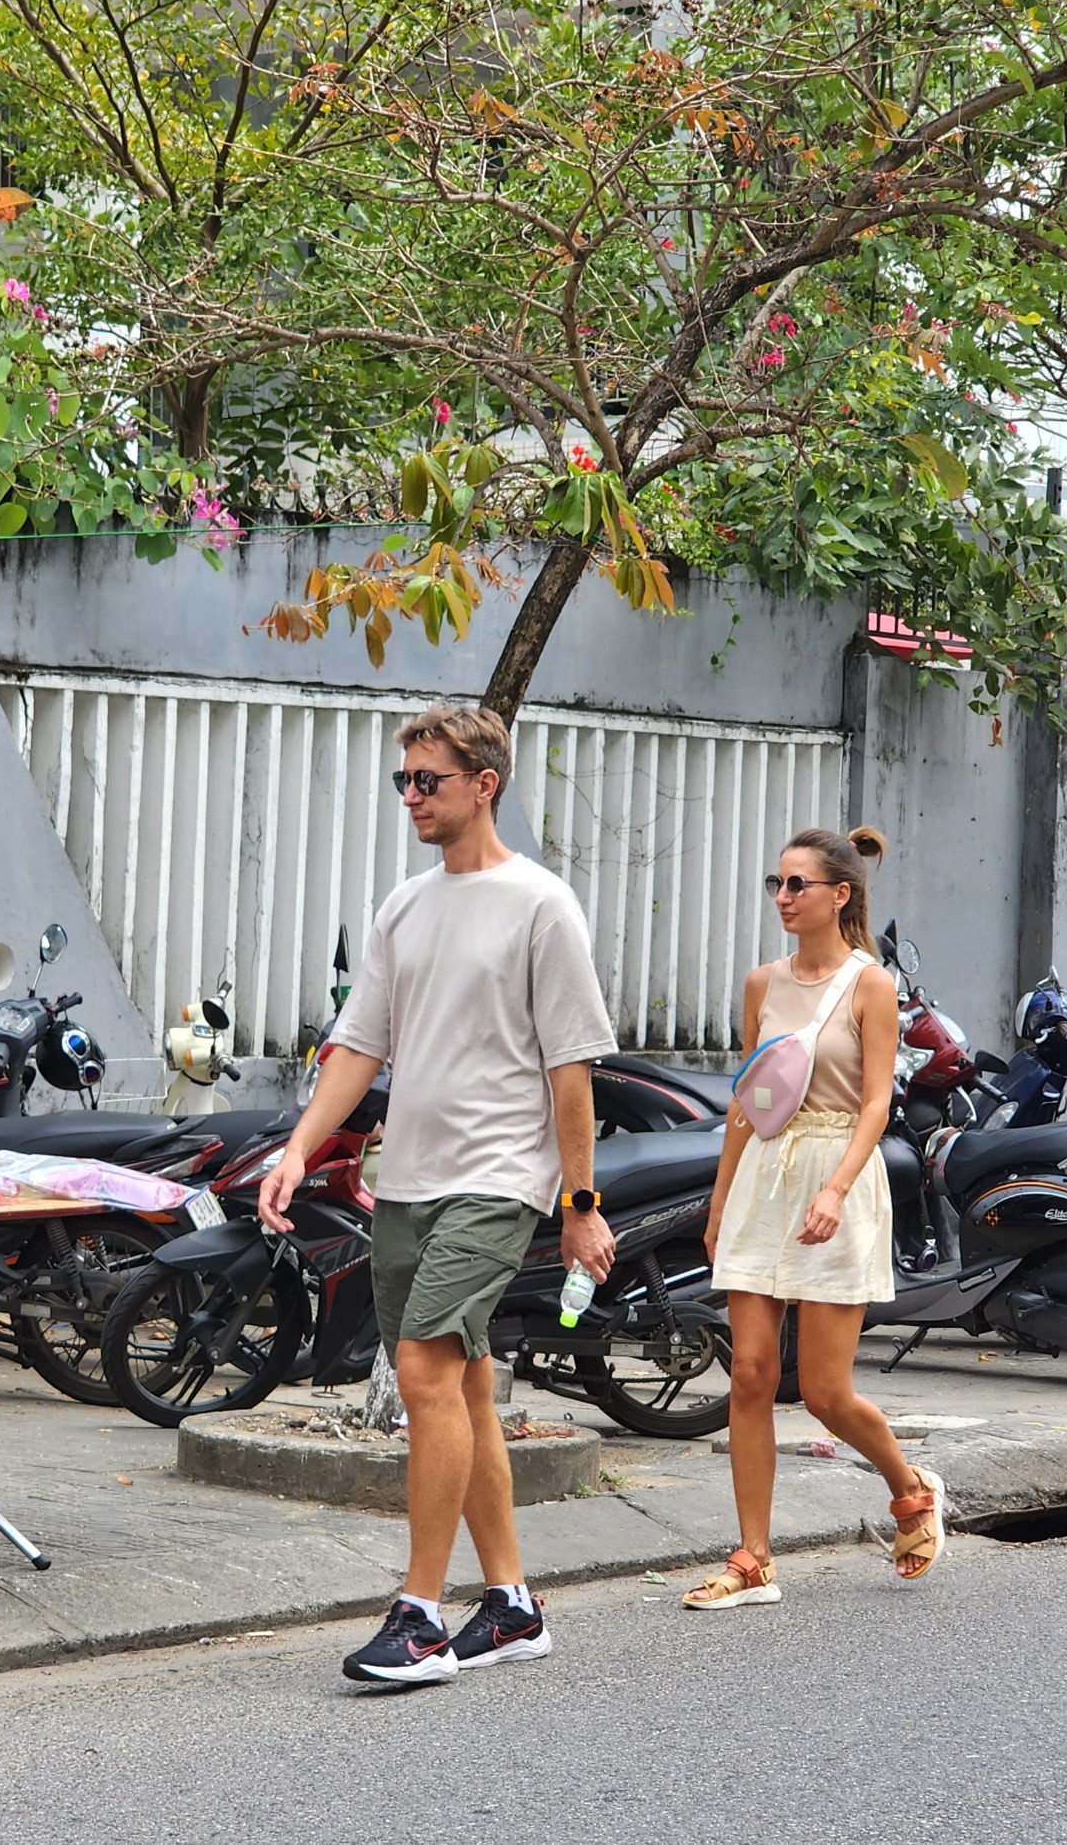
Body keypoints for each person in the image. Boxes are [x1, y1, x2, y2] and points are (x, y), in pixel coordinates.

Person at [260, 703, 617, 1685]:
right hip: (408, 1177)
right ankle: (508, 1602)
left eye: (429, 779)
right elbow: (358, 1045)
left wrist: (578, 1198)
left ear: (483, 783)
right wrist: (298, 1147)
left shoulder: (542, 903)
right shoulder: (403, 906)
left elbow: (570, 1069)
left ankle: (419, 1613)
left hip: (501, 1175)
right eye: (403, 781)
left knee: (420, 1369)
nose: (411, 795)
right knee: (460, 1382)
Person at [682, 826, 944, 1609]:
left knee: (826, 1393)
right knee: (753, 1375)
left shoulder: (871, 985)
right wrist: (721, 1198)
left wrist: (834, 1189)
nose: (784, 898)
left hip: (839, 1175)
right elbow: (749, 1097)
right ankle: (753, 1559)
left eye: (798, 885)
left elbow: (874, 1101)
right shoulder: (762, 983)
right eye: (778, 884)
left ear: (841, 894)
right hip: (764, 1177)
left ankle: (911, 1490)